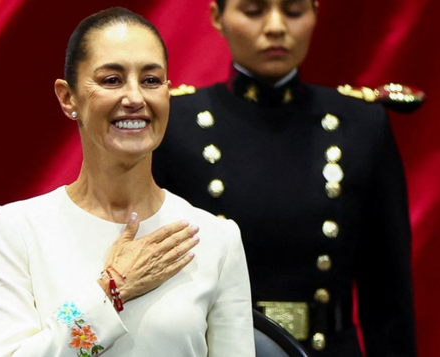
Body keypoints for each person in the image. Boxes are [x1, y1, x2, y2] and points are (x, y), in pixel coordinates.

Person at [0, 7, 254, 357]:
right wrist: (111, 289)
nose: (135, 98)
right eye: (112, 80)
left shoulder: (216, 239)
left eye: (151, 80)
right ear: (68, 98)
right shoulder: (18, 229)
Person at [153, 0, 416, 356]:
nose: (276, 26)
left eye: (293, 11)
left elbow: (389, 295)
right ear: (217, 17)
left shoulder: (362, 124)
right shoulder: (174, 124)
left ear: (315, 15)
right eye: (253, 10)